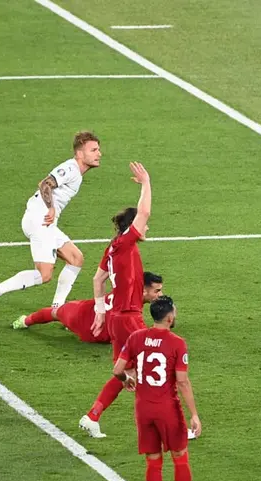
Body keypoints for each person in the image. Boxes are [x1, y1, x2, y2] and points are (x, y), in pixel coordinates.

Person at [0, 131, 101, 316]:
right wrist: (51, 207)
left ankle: (57, 308)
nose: (98, 153)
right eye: (93, 150)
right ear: (79, 153)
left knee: (76, 258)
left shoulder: (76, 173)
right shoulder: (70, 169)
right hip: (41, 219)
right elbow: (45, 184)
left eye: (98, 149)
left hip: (44, 221)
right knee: (45, 274)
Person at [111, 295, 200, 481]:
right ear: (169, 317)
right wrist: (194, 414)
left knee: (153, 462)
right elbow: (182, 382)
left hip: (143, 409)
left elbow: (117, 369)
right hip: (167, 408)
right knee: (180, 458)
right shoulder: (177, 342)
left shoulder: (136, 337)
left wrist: (127, 380)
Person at [79, 161, 152, 438]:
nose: (146, 229)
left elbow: (98, 279)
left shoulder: (112, 247)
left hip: (116, 319)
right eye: (143, 226)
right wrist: (146, 183)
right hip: (130, 317)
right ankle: (167, 423)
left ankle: (93, 415)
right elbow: (144, 211)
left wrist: (99, 313)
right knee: (156, 362)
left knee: (125, 374)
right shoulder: (124, 243)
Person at [10, 272, 165, 343]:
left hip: (83, 310)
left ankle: (24, 321)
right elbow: (142, 336)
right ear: (144, 291)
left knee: (56, 313)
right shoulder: (131, 309)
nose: (160, 294)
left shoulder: (126, 290)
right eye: (157, 291)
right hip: (89, 328)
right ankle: (25, 321)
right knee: (56, 313)